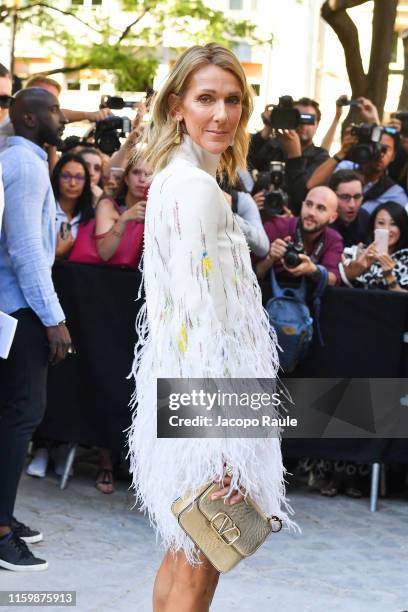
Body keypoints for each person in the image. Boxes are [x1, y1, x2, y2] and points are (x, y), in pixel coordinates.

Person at [127, 43, 296, 612]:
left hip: (183, 383)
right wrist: (221, 440)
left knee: (187, 550)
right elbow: (205, 324)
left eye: (232, 100)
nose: (222, 114)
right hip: (209, 393)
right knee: (203, 562)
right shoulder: (195, 189)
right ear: (177, 105)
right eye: (206, 99)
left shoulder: (176, 180)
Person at [0, 88, 73, 571]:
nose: (62, 116)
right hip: (21, 310)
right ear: (28, 118)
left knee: (12, 416)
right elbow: (25, 252)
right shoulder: (25, 166)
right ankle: (2, 531)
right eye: (53, 109)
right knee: (20, 416)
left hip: (12, 310)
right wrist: (55, 319)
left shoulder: (21, 159)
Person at [308, 126, 408, 214]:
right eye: (376, 147)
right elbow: (311, 185)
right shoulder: (344, 167)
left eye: (385, 149)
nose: (380, 153)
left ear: (393, 156)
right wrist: (342, 152)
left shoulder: (395, 194)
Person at [255, 186, 343, 286]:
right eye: (308, 204)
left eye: (321, 208)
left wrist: (313, 270)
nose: (311, 212)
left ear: (333, 217)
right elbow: (252, 274)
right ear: (302, 205)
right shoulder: (275, 226)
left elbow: (334, 279)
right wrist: (270, 258)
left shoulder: (334, 239)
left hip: (310, 300)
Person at [341, 201, 408, 291]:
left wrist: (389, 276)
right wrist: (356, 268)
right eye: (381, 223)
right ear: (373, 226)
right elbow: (338, 286)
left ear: (402, 227)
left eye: (394, 224)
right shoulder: (355, 253)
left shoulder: (406, 258)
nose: (386, 229)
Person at [95, 157, 148, 268]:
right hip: (104, 278)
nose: (142, 179)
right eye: (136, 172)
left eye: (148, 174)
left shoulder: (158, 211)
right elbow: (104, 254)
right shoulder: (108, 205)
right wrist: (124, 218)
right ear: (126, 178)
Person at [50, 153, 94, 259]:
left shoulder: (91, 216)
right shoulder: (45, 211)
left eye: (79, 177)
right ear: (57, 178)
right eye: (66, 176)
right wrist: (58, 252)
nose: (72, 183)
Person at [328, 169, 370, 246]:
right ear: (332, 196)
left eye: (357, 197)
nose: (352, 205)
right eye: (345, 197)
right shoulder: (322, 222)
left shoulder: (365, 219)